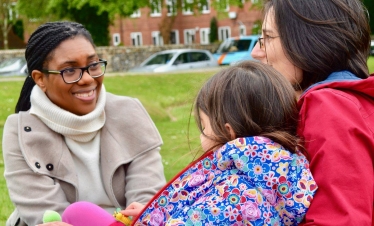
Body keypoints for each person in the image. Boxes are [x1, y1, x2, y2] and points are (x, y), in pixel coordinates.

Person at [60, 61, 317, 225]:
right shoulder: (275, 173)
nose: (200, 136)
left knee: (76, 214)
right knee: (79, 212)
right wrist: (154, 217)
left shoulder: (234, 193)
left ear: (228, 133)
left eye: (203, 126)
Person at [2, 21, 166, 226]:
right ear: (40, 79)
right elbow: (47, 214)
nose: (88, 78)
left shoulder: (129, 113)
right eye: (69, 70)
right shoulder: (20, 132)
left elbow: (147, 201)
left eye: (93, 65)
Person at [251, 0, 374, 225]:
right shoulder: (354, 100)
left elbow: (340, 221)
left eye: (267, 38)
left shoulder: (329, 107)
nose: (256, 52)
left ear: (308, 41)